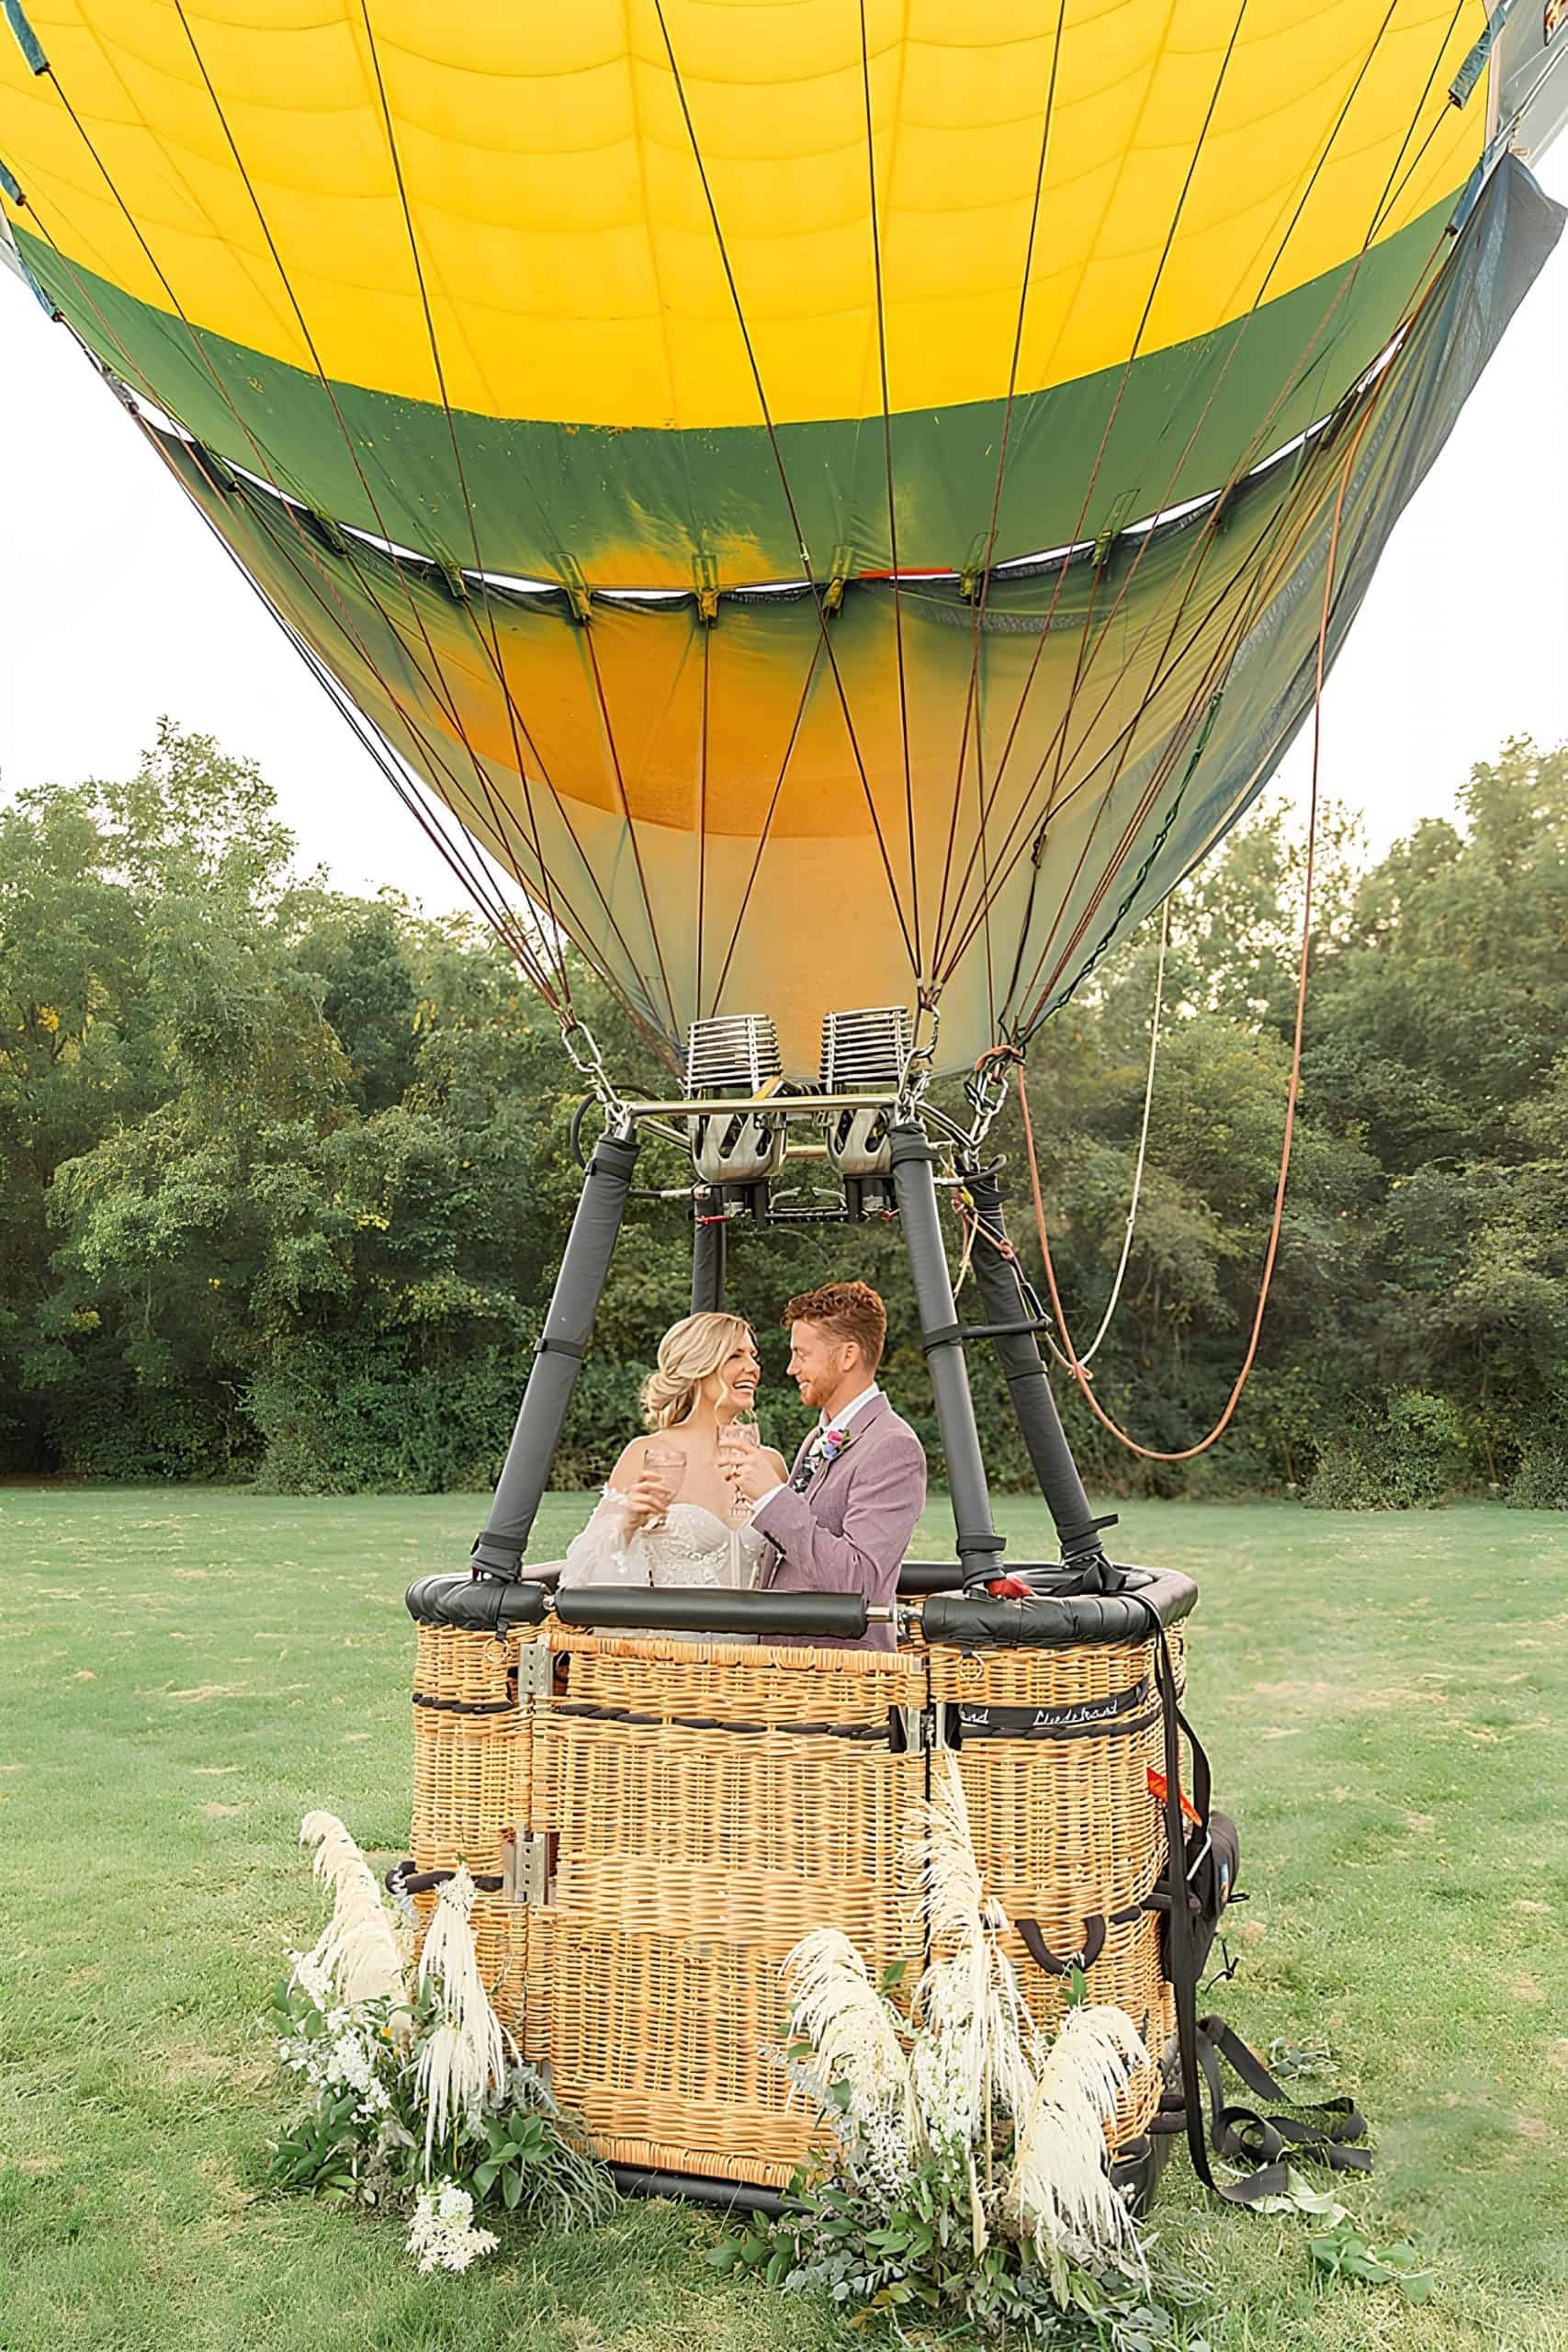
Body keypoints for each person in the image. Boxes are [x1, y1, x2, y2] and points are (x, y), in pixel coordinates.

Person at [719, 1281, 926, 1652]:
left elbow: (859, 1582)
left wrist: (770, 1497)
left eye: (802, 1354)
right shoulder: (817, 1438)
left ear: (847, 1356)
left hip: (841, 1675)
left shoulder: (893, 1447)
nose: (791, 1368)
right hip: (785, 1670)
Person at [554, 1312, 788, 1631]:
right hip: (673, 1656)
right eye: (735, 1355)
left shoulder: (769, 1463)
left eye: (753, 1355)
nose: (753, 1367)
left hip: (759, 1658)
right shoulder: (646, 1454)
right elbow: (581, 1580)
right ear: (699, 1366)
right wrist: (627, 1525)